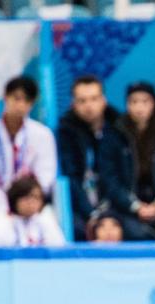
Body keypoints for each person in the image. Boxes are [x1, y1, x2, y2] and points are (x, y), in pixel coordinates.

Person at [98, 81, 155, 241]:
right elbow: (109, 178)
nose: (139, 107)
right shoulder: (115, 134)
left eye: (145, 101)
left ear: (154, 104)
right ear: (127, 105)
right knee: (136, 233)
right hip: (125, 206)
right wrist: (135, 206)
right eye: (134, 102)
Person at [57, 75, 120, 240]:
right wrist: (91, 214)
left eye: (93, 99)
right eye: (82, 101)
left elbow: (120, 175)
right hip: (81, 206)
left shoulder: (118, 129)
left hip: (114, 204)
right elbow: (71, 178)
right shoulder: (66, 133)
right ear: (73, 104)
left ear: (103, 101)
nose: (89, 106)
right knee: (77, 230)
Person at [0, 76, 57, 213]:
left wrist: (28, 200)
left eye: (27, 100)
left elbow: (46, 176)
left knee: (49, 226)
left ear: (32, 104)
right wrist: (2, 202)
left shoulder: (43, 134)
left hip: (32, 205)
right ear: (5, 97)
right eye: (16, 98)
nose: (21, 105)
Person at [0, 175, 65, 247]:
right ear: (14, 199)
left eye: (36, 197)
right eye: (26, 198)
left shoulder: (47, 222)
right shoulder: (4, 225)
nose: (31, 202)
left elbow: (59, 250)